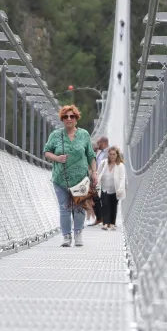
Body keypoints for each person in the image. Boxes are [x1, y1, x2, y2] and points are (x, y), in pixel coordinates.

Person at [43, 105, 97, 247]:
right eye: (65, 116)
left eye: (72, 116)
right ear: (62, 119)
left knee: (79, 208)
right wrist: (57, 158)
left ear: (76, 119)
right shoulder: (55, 135)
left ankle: (78, 233)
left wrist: (95, 172)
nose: (69, 119)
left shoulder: (84, 135)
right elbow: (46, 151)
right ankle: (66, 236)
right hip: (61, 178)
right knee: (64, 208)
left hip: (80, 179)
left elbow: (91, 155)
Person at [98, 145, 126, 231]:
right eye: (110, 154)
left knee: (113, 205)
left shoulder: (120, 165)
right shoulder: (103, 163)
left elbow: (122, 178)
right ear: (108, 155)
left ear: (117, 155)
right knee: (105, 205)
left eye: (114, 154)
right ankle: (106, 223)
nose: (112, 156)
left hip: (115, 188)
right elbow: (98, 173)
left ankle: (112, 223)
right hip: (104, 187)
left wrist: (121, 188)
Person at [90, 137, 109, 226]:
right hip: (96, 178)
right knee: (94, 197)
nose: (97, 144)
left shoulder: (110, 152)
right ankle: (99, 218)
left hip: (105, 178)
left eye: (98, 142)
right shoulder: (98, 152)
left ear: (103, 143)